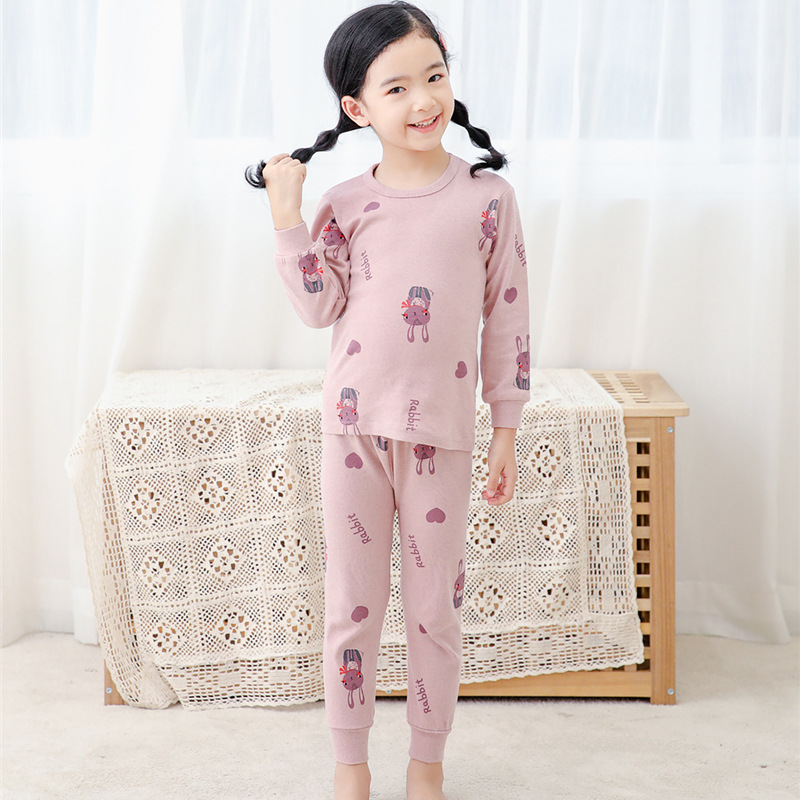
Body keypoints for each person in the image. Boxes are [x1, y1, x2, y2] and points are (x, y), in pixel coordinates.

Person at [245, 3, 530, 798]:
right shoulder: (344, 203)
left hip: (443, 430)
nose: (423, 100)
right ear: (357, 108)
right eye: (397, 87)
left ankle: (426, 765)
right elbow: (319, 309)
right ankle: (350, 767)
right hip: (352, 429)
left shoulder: (488, 198)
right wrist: (287, 219)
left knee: (436, 607)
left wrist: (506, 428)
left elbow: (509, 317)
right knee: (353, 605)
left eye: (434, 76)